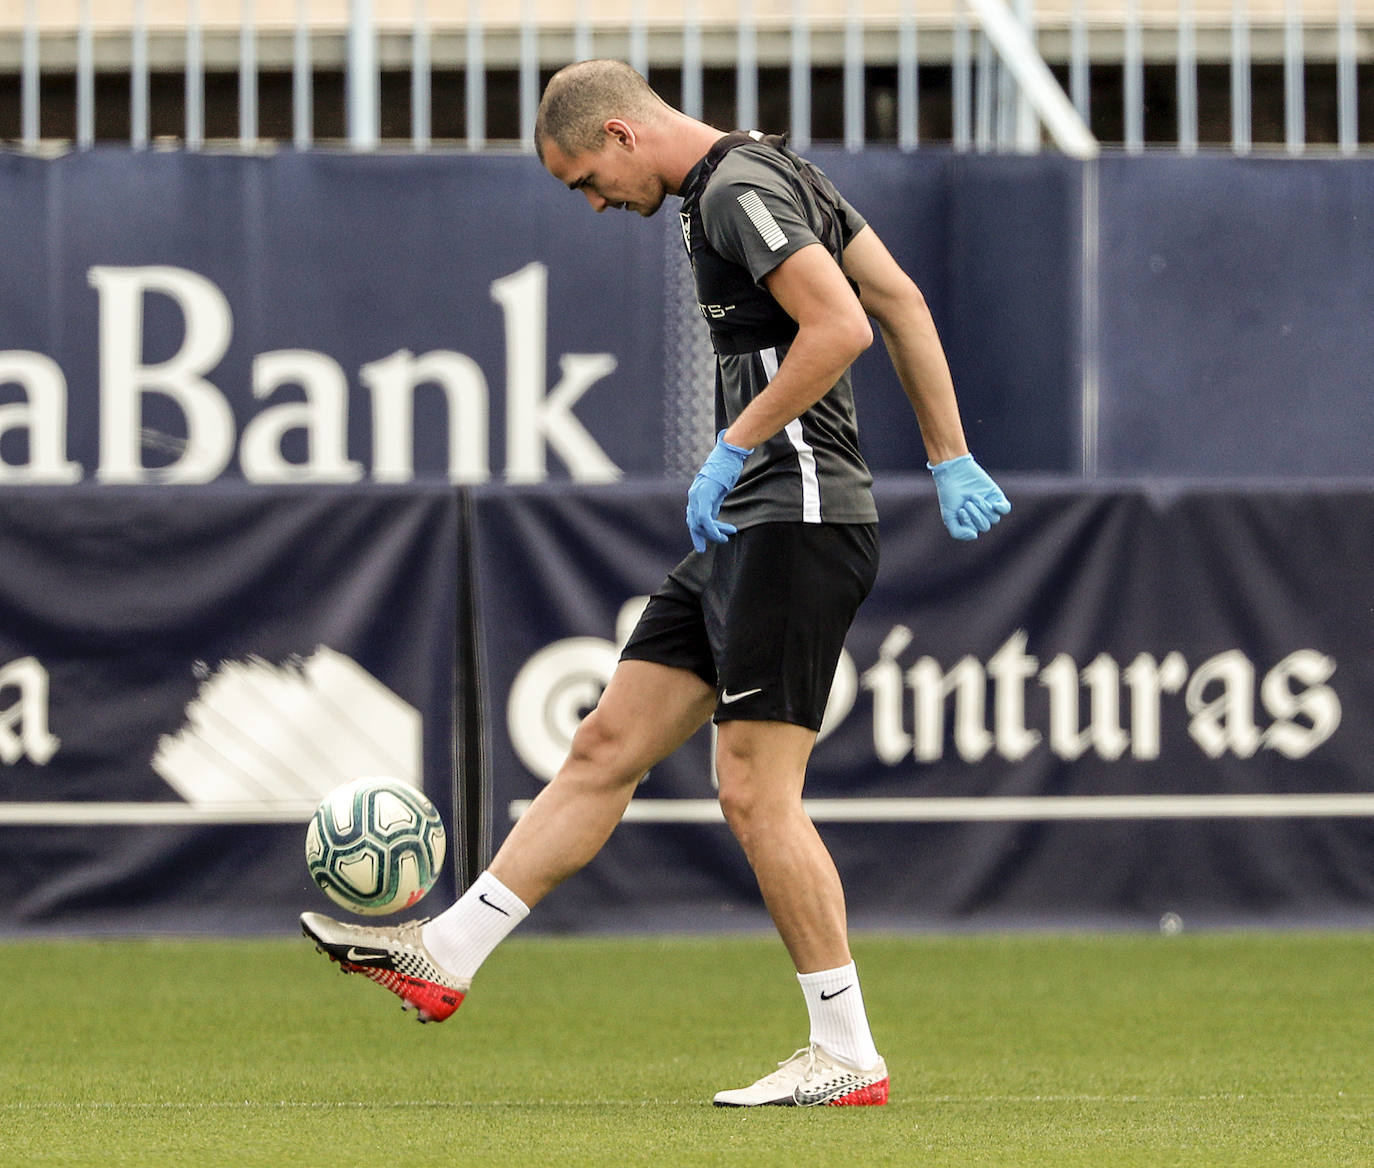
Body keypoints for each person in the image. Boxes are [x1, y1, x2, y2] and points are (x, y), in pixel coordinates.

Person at [301, 59, 1009, 1108]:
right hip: (753, 519)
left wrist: (737, 444)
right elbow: (895, 296)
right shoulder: (764, 171)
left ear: (625, 135)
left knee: (755, 794)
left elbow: (846, 325)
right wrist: (945, 454)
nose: (593, 203)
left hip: (795, 515)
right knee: (603, 746)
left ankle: (848, 1050)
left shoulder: (736, 191)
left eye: (586, 178)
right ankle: (444, 954)